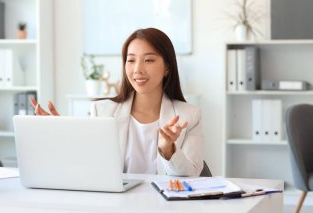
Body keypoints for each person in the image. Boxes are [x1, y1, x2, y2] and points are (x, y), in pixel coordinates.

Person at [31, 28, 204, 176]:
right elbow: (87, 166)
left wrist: (168, 150)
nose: (138, 70)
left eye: (149, 60)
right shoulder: (101, 111)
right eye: (131, 60)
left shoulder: (189, 115)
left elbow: (191, 175)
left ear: (167, 67)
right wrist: (59, 135)